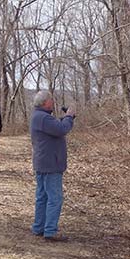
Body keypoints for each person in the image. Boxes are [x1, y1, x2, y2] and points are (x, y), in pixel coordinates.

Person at [30, 90, 75, 242]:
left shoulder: (39, 116)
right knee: (54, 198)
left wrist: (66, 118)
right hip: (50, 164)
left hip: (43, 162)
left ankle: (39, 228)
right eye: (51, 100)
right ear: (45, 102)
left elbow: (56, 126)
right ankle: (49, 231)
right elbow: (61, 129)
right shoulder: (43, 117)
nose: (53, 102)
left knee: (42, 197)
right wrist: (69, 116)